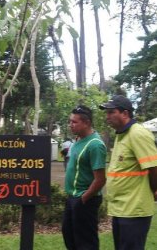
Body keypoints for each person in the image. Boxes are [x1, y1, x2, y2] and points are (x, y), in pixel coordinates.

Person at [99, 95, 157, 250]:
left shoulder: (138, 134)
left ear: (125, 113)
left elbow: (153, 167)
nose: (107, 116)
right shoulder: (121, 134)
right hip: (121, 210)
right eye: (107, 113)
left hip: (134, 211)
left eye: (111, 112)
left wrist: (155, 190)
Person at [62, 105, 107, 250]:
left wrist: (83, 199)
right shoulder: (77, 140)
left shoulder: (95, 145)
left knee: (86, 242)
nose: (70, 125)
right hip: (72, 198)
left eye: (74, 122)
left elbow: (100, 179)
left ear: (86, 123)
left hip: (84, 200)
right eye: (70, 121)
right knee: (69, 235)